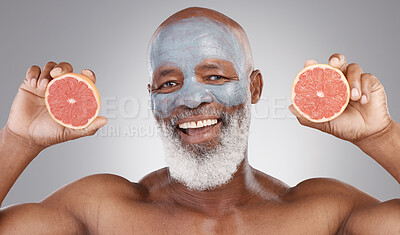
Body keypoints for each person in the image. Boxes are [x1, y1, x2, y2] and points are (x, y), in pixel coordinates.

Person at [0, 7, 399, 234]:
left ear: (253, 88)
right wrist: (19, 140)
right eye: (169, 82)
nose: (191, 98)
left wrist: (381, 135)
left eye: (215, 76)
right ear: (153, 100)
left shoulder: (324, 213)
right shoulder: (100, 209)